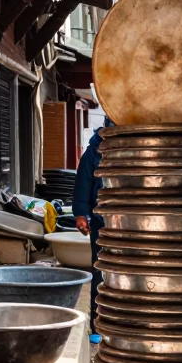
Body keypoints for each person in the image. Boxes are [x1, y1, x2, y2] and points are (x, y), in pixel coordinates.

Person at [73, 117, 111, 344]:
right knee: (100, 272)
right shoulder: (94, 151)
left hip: (134, 223)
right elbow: (83, 183)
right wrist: (81, 214)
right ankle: (97, 324)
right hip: (102, 221)